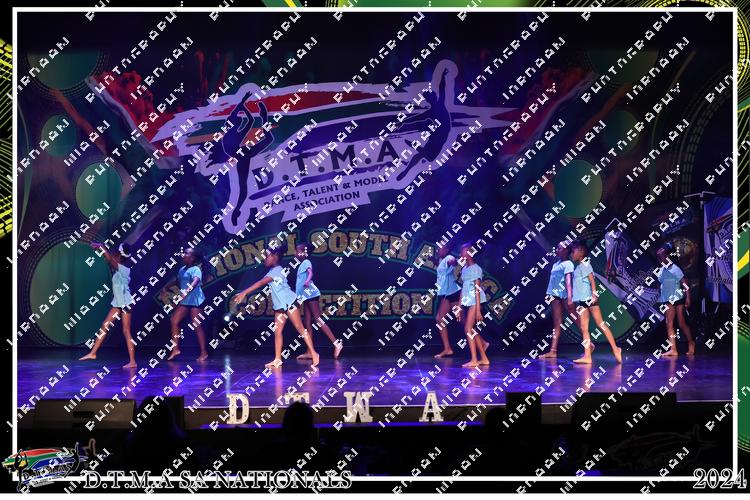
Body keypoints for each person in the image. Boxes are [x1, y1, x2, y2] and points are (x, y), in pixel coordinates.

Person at [232, 243, 320, 368]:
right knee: (277, 332)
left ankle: (314, 353)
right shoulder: (273, 271)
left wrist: (244, 292)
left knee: (300, 329)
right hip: (280, 306)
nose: (265, 258)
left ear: (274, 257)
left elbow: (260, 283)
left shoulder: (277, 271)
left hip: (289, 303)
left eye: (267, 256)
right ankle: (278, 359)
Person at [79, 242, 137, 368]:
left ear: (120, 256)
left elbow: (110, 259)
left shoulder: (123, 269)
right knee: (105, 325)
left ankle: (133, 361)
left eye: (117, 254)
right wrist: (101, 250)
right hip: (118, 302)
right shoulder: (118, 268)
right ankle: (93, 353)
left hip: (126, 302)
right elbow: (109, 258)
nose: (114, 256)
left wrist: (100, 246)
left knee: (126, 331)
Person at [569, 240, 622, 364]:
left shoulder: (585, 264)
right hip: (582, 301)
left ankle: (616, 349)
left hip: (589, 299)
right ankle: (587, 356)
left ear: (581, 251)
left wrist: (594, 294)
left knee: (601, 324)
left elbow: (592, 280)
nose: (572, 253)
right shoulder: (578, 267)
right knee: (584, 328)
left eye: (573, 251)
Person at [293, 242, 343, 360]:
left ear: (304, 252)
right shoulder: (302, 264)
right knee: (307, 323)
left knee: (318, 320)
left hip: (311, 294)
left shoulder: (306, 262)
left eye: (297, 251)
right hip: (305, 296)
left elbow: (310, 272)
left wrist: (307, 280)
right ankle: (310, 351)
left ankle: (337, 344)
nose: (295, 253)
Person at [163, 248, 209, 362]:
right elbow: (178, 281)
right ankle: (175, 349)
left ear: (192, 258)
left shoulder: (196, 269)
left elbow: (194, 283)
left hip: (195, 300)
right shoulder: (182, 269)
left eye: (186, 253)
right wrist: (166, 286)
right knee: (174, 321)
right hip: (185, 300)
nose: (183, 254)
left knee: (197, 326)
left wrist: (184, 294)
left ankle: (204, 353)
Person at [655, 243, 695, 356]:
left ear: (667, 256)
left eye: (662, 256)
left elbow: (685, 283)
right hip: (667, 300)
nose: (660, 259)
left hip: (678, 299)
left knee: (681, 323)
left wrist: (688, 297)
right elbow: (660, 283)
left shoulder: (675, 269)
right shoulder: (661, 270)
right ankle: (673, 349)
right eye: (659, 257)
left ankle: (691, 342)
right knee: (669, 324)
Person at [456, 242, 490, 368]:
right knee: (471, 329)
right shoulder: (464, 269)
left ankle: (475, 359)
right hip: (468, 301)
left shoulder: (476, 269)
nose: (461, 253)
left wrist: (478, 311)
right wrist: (459, 307)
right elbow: (463, 289)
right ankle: (484, 358)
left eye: (463, 251)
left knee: (468, 329)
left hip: (476, 302)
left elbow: (477, 290)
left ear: (470, 252)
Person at [539, 241, 575, 359]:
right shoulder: (556, 264)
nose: (557, 249)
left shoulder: (568, 264)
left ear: (566, 250)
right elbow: (552, 281)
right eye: (557, 248)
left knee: (575, 319)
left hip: (564, 295)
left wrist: (570, 297)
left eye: (560, 248)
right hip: (554, 296)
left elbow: (568, 282)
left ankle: (588, 342)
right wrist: (548, 293)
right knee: (557, 323)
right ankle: (553, 351)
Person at [431, 242, 462, 358]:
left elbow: (452, 261)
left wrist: (454, 262)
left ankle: (483, 343)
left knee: (465, 322)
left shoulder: (449, 257)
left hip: (453, 293)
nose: (437, 250)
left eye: (440, 248)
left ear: (447, 250)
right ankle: (447, 349)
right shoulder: (441, 260)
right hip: (447, 294)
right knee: (439, 319)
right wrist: (433, 261)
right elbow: (443, 268)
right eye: (437, 248)